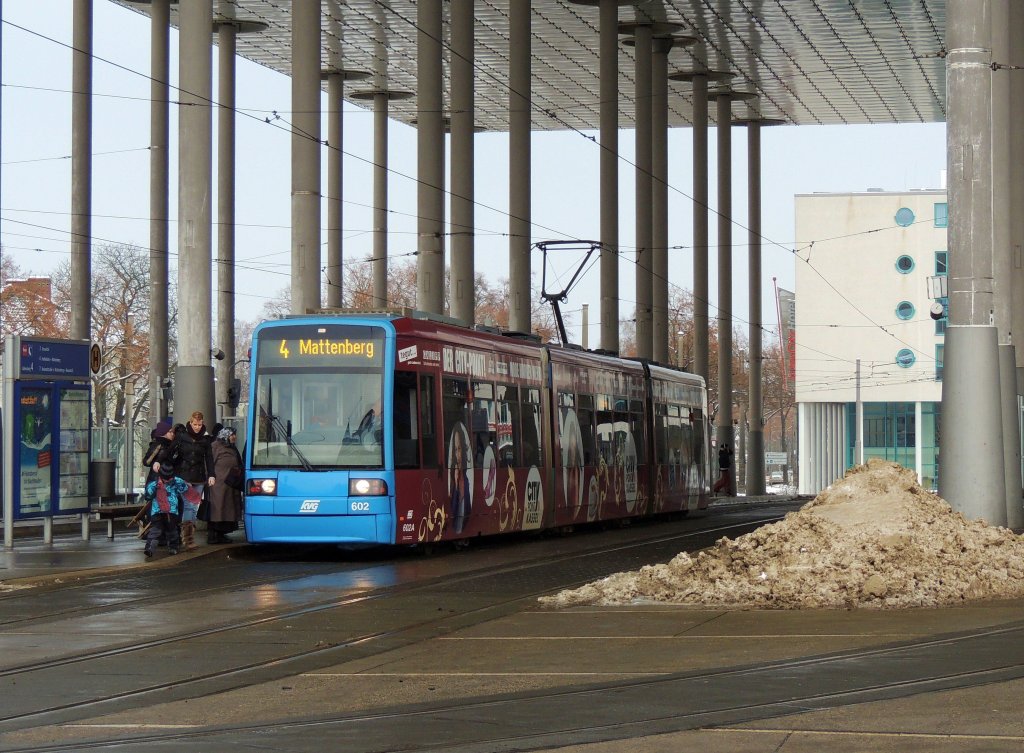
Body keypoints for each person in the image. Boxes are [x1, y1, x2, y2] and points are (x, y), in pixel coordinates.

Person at [142, 463, 188, 558]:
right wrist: (155, 487)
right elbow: (148, 495)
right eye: (166, 478)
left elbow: (184, 489)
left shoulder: (176, 481)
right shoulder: (154, 484)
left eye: (169, 478)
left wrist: (180, 483)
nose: (167, 480)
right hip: (157, 511)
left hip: (171, 511)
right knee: (155, 530)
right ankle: (150, 549)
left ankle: (173, 547)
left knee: (171, 530)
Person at [173, 410, 216, 512]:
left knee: (194, 505)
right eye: (195, 424)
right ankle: (187, 527)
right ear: (190, 423)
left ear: (202, 423)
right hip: (184, 474)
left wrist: (211, 474)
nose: (197, 427)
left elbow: (209, 457)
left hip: (199, 475)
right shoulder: (182, 436)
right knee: (189, 504)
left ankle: (189, 527)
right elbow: (171, 451)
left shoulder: (205, 438)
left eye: (199, 424)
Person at [208, 426, 244, 544]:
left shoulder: (232, 448)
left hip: (229, 484)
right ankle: (214, 535)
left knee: (227, 509)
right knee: (218, 509)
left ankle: (221, 534)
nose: (234, 437)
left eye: (234, 434)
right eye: (232, 435)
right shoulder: (216, 446)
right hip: (218, 485)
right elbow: (209, 463)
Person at [449, 428, 471, 534]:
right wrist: (456, 486)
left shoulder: (466, 481)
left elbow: (469, 514)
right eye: (455, 450)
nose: (458, 455)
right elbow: (452, 514)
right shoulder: (454, 481)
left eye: (459, 448)